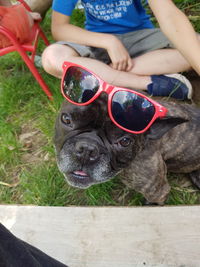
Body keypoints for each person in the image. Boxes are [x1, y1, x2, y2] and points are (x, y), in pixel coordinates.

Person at [42, 0, 200, 100]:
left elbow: (170, 16)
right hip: (96, 39)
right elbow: (59, 28)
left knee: (195, 43)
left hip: (141, 37)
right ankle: (148, 83)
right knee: (52, 57)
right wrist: (109, 41)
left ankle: (105, 76)